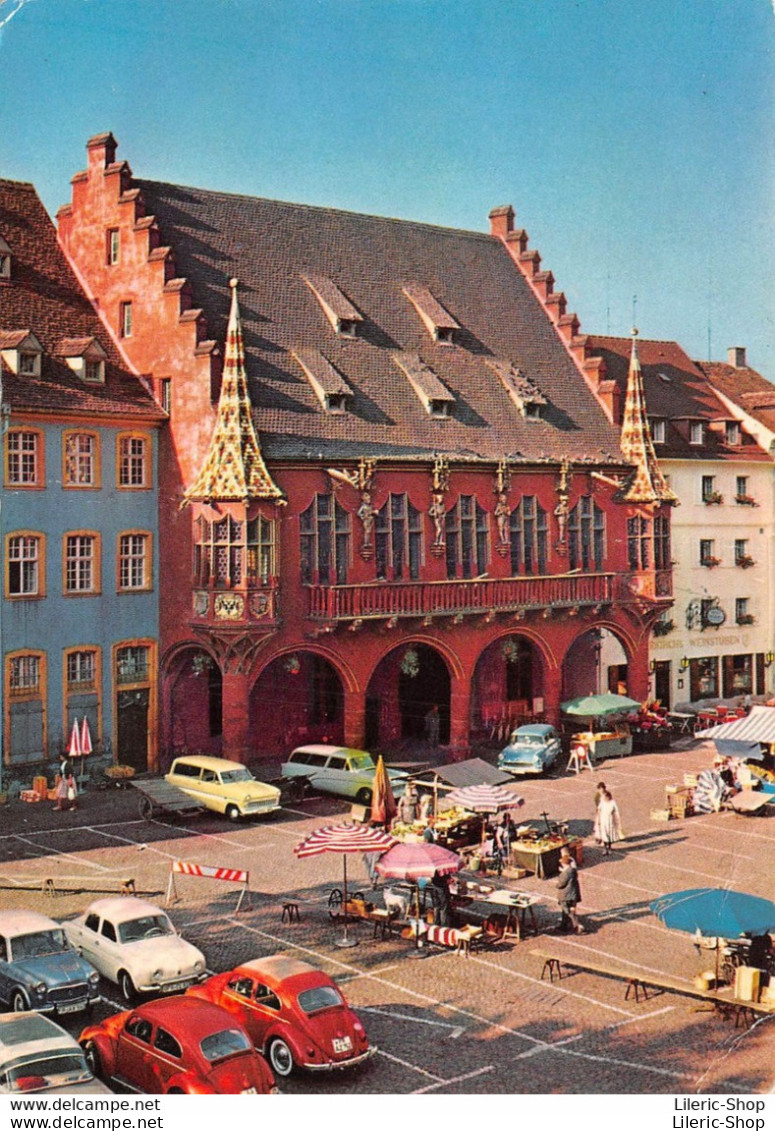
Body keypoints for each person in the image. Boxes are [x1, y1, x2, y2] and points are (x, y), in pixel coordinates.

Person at [556, 850, 583, 933]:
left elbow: (561, 884)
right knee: (566, 911)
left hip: (566, 895)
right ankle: (564, 926)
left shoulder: (566, 873)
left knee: (567, 911)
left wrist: (557, 883)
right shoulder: (573, 870)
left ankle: (577, 925)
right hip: (573, 894)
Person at [595, 788, 622, 855]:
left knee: (609, 834)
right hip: (603, 820)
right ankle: (605, 848)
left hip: (610, 820)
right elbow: (599, 810)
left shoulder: (612, 802)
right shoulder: (602, 802)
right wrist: (598, 820)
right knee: (604, 835)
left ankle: (609, 847)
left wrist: (617, 820)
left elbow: (616, 811)